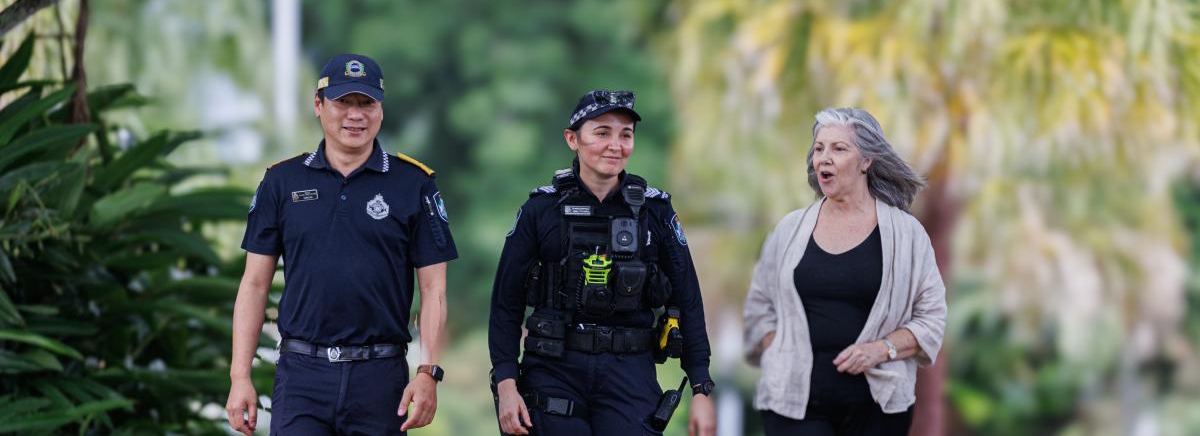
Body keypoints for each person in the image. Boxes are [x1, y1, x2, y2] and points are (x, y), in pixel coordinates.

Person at [225, 54, 457, 435]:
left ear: (380, 110)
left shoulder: (413, 184)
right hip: (301, 375)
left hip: (380, 379)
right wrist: (240, 377)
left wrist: (428, 372)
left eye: (366, 103)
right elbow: (253, 284)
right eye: (343, 102)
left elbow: (434, 289)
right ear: (318, 106)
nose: (355, 115)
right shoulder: (281, 182)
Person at [489, 90, 717, 436]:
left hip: (630, 373)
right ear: (572, 139)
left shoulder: (655, 212)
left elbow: (687, 297)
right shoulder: (540, 210)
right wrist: (506, 384)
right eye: (602, 133)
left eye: (626, 135)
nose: (615, 145)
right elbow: (506, 303)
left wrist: (700, 385)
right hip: (554, 369)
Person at [743, 107, 947, 435]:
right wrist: (779, 351)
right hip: (794, 404)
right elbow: (759, 305)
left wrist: (880, 350)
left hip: (877, 407)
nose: (824, 157)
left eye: (839, 149)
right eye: (819, 148)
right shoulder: (790, 229)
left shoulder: (906, 234)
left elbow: (932, 318)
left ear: (866, 161)